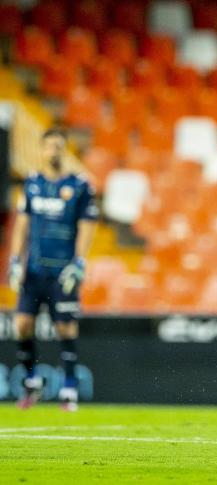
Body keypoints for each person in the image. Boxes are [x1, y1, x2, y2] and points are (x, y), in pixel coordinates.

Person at [8, 128, 98, 411]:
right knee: (21, 324)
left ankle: (69, 388)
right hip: (34, 270)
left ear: (65, 150)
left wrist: (79, 262)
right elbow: (22, 224)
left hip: (63, 271)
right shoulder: (32, 183)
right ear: (42, 150)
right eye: (50, 147)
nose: (54, 152)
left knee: (65, 326)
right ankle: (32, 382)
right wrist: (14, 260)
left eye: (59, 147)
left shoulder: (80, 185)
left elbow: (87, 226)